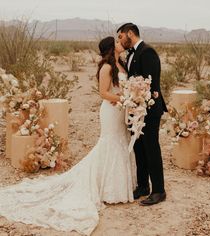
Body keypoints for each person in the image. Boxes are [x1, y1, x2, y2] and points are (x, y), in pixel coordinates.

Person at [0, 36, 136, 236]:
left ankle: (119, 185)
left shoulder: (121, 64)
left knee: (121, 142)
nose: (120, 44)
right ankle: (107, 188)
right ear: (110, 48)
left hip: (120, 111)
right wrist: (124, 98)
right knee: (110, 142)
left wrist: (130, 98)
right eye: (116, 42)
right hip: (110, 110)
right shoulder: (107, 67)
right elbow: (103, 93)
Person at [117, 23, 168, 206]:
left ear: (130, 33)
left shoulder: (147, 52)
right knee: (139, 148)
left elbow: (149, 84)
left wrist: (140, 102)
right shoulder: (131, 54)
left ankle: (159, 190)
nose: (120, 41)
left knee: (151, 149)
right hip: (135, 110)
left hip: (150, 110)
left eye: (121, 36)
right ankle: (143, 186)